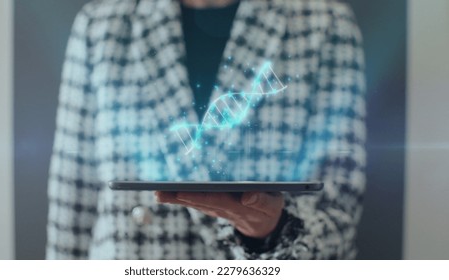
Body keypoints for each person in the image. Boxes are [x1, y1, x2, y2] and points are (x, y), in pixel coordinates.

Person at [46, 0, 366, 259]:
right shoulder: (101, 26)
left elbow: (340, 215)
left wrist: (276, 231)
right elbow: (72, 197)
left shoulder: (323, 23)